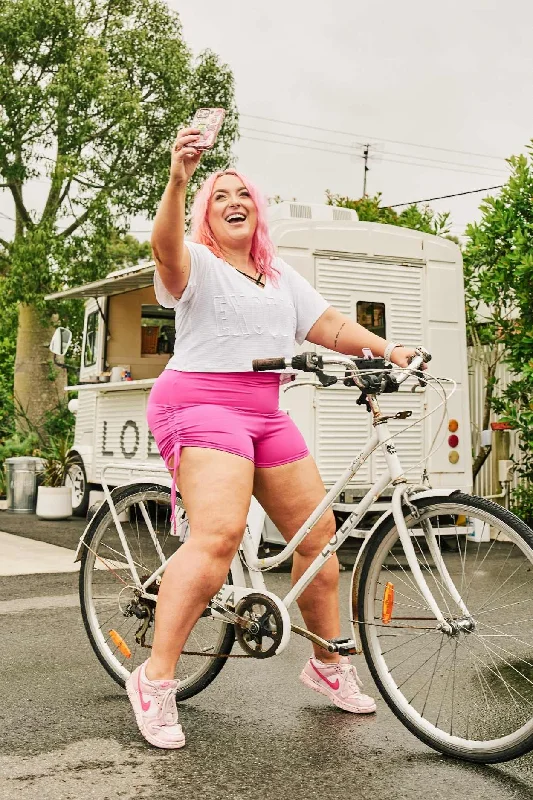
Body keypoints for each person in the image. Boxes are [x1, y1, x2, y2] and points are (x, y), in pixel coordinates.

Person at [126, 126, 419, 749]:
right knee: (218, 537)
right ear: (206, 213)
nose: (234, 200)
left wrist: (390, 349)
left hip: (264, 410)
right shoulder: (198, 264)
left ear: (257, 211)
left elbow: (330, 325)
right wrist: (180, 177)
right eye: (219, 194)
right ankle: (154, 680)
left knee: (318, 541)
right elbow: (165, 249)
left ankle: (326, 663)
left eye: (245, 195)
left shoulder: (277, 274)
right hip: (200, 403)